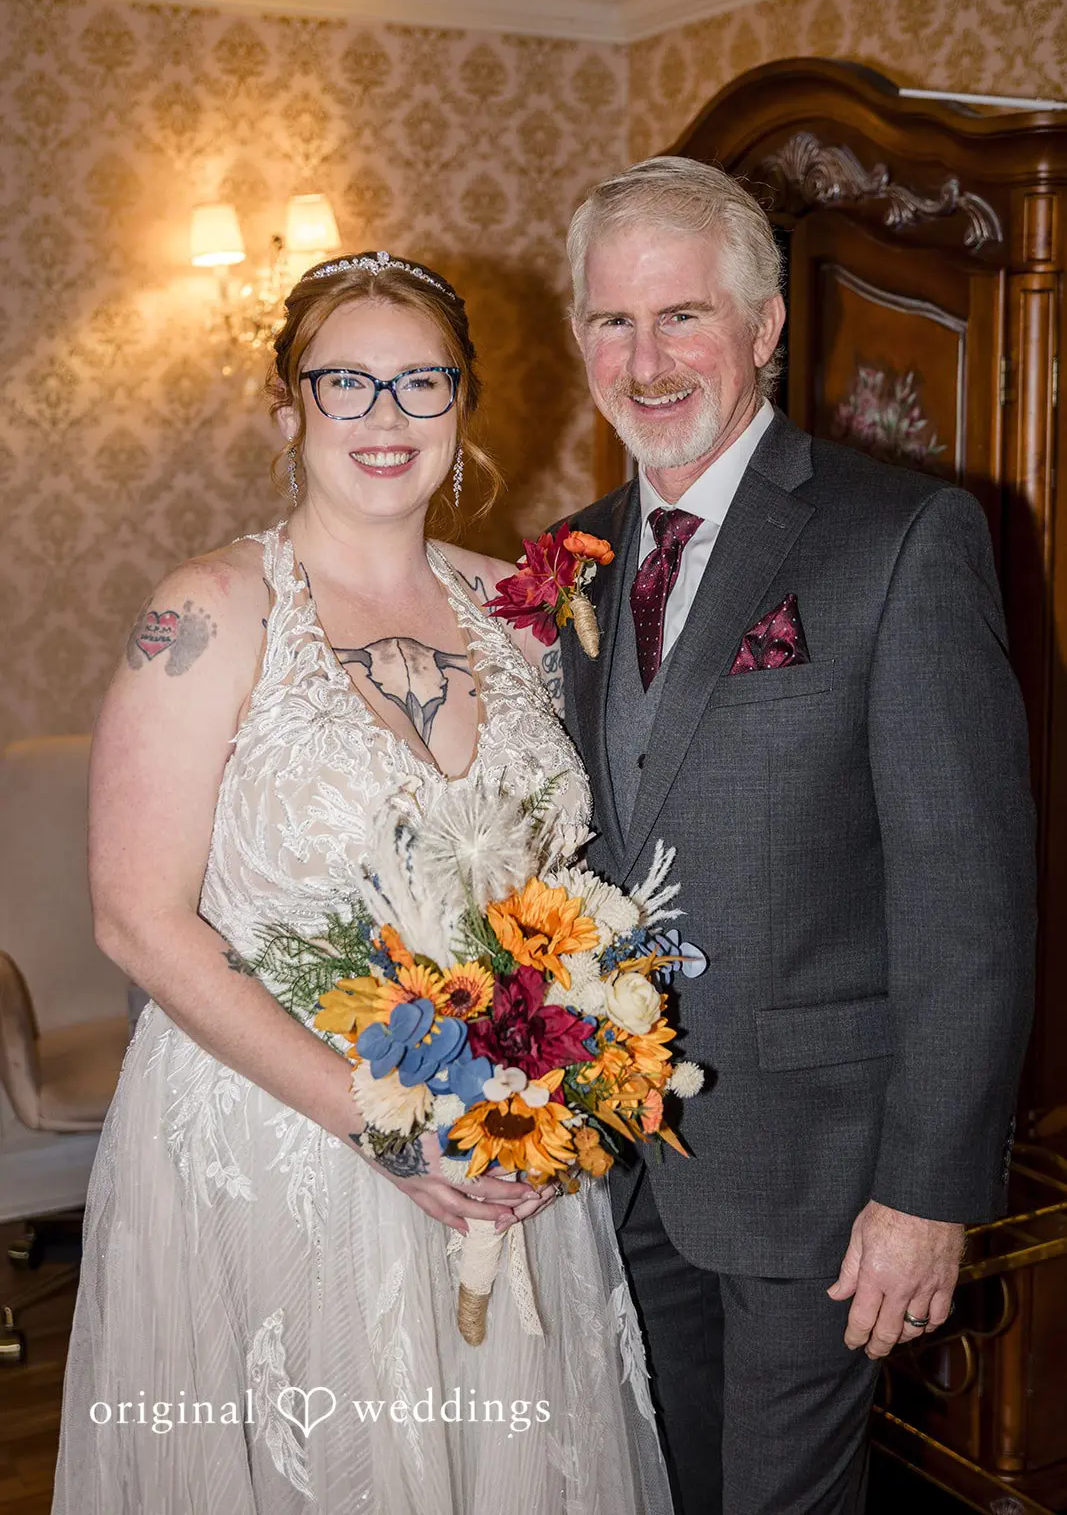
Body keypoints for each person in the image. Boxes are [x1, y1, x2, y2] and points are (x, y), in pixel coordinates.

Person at [51, 251, 672, 1515]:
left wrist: (550, 1083)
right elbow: (135, 916)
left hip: (494, 1157)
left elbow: (558, 883)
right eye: (344, 382)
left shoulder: (522, 611)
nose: (385, 416)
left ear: (463, 404)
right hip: (274, 1149)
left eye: (420, 382)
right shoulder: (213, 609)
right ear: (287, 410)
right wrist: (380, 1126)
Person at [557, 157, 1036, 1514]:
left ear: (763, 326)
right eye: (611, 322)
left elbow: (966, 899)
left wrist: (926, 1194)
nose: (645, 361)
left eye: (682, 316)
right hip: (606, 1174)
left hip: (821, 1179)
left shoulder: (902, 538)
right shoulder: (568, 562)